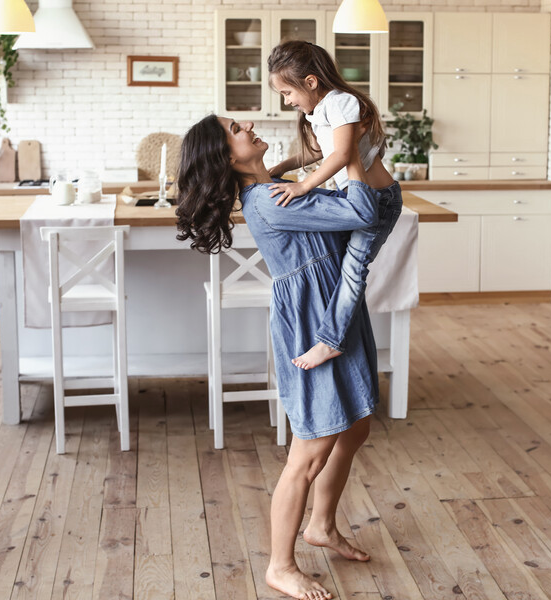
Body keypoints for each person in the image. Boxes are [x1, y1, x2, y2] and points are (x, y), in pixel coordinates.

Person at [176, 115, 389, 600]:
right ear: (228, 157)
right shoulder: (270, 202)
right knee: (310, 449)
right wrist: (350, 151)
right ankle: (280, 565)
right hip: (316, 322)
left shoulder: (279, 188)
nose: (247, 123)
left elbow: (323, 195)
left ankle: (322, 525)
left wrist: (311, 160)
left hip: (337, 308)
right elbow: (360, 213)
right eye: (235, 128)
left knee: (355, 426)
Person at [266, 40, 402, 371]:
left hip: (377, 201)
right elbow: (321, 153)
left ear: (310, 82)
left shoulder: (341, 102)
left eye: (288, 93)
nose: (287, 102)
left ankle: (331, 342)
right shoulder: (323, 109)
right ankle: (336, 331)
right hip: (356, 199)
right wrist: (282, 168)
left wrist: (303, 186)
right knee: (336, 267)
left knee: (353, 270)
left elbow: (342, 156)